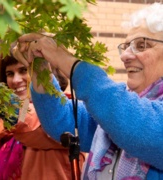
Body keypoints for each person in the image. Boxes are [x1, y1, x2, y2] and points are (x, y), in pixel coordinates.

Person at [13, 2, 163, 180]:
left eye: (141, 45)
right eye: (126, 46)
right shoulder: (118, 111)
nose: (125, 56)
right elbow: (62, 119)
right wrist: (40, 68)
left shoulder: (126, 114)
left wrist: (70, 62)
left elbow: (138, 126)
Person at [0, 55, 85, 180]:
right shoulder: (4, 114)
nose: (15, 80)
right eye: (10, 73)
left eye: (23, 70)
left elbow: (23, 118)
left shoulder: (64, 110)